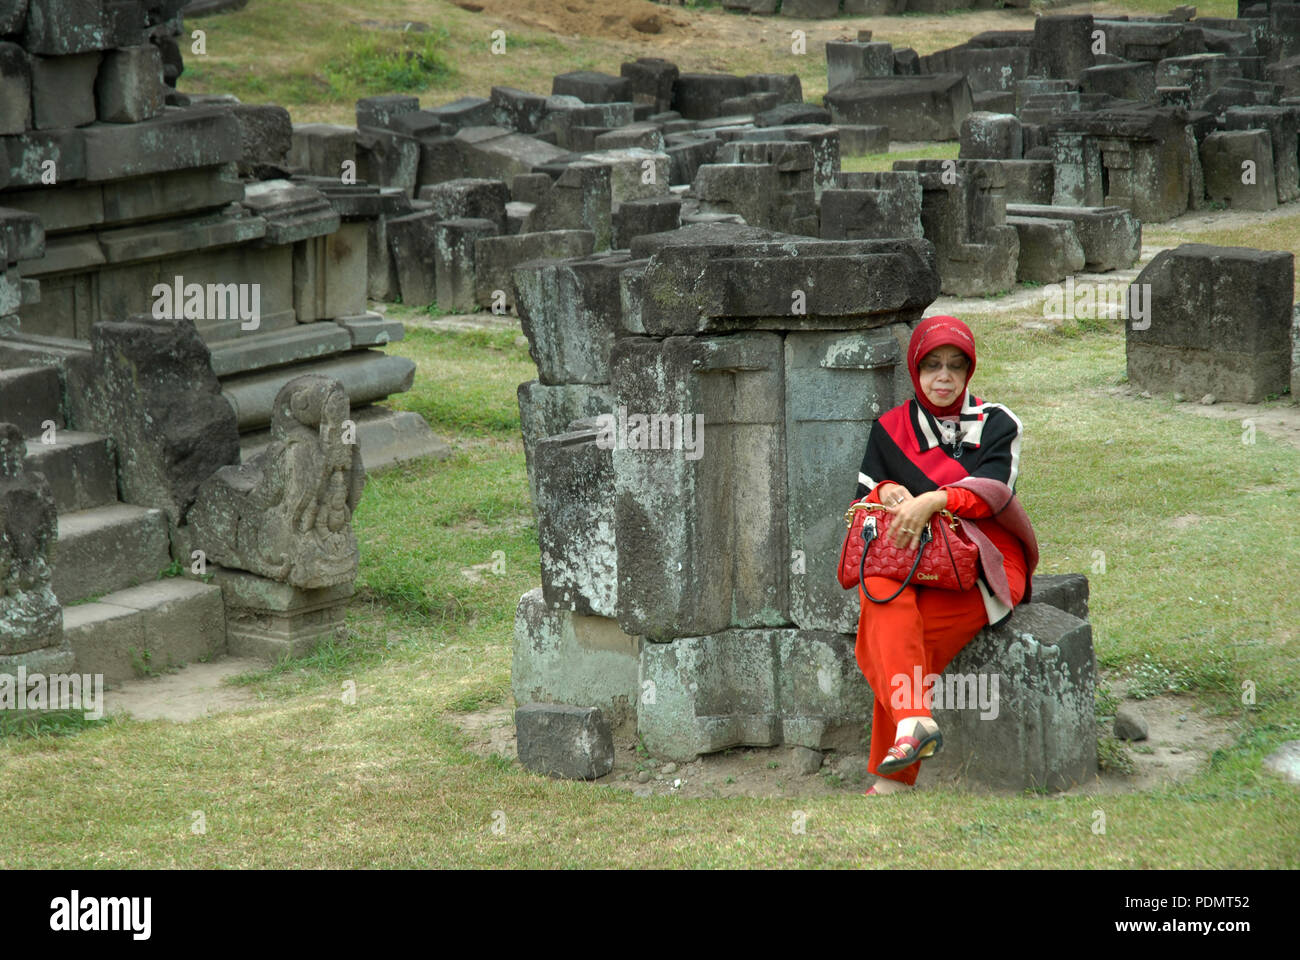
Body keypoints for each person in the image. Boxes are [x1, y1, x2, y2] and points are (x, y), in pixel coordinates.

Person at [849, 314, 1039, 796]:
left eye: (956, 365)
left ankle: (893, 778)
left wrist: (937, 498)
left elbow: (994, 492)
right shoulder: (890, 430)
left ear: (969, 371)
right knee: (885, 603)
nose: (944, 377)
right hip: (914, 564)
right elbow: (863, 502)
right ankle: (913, 724)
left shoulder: (999, 423)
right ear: (916, 370)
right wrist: (890, 490)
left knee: (884, 636)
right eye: (932, 365)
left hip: (987, 563)